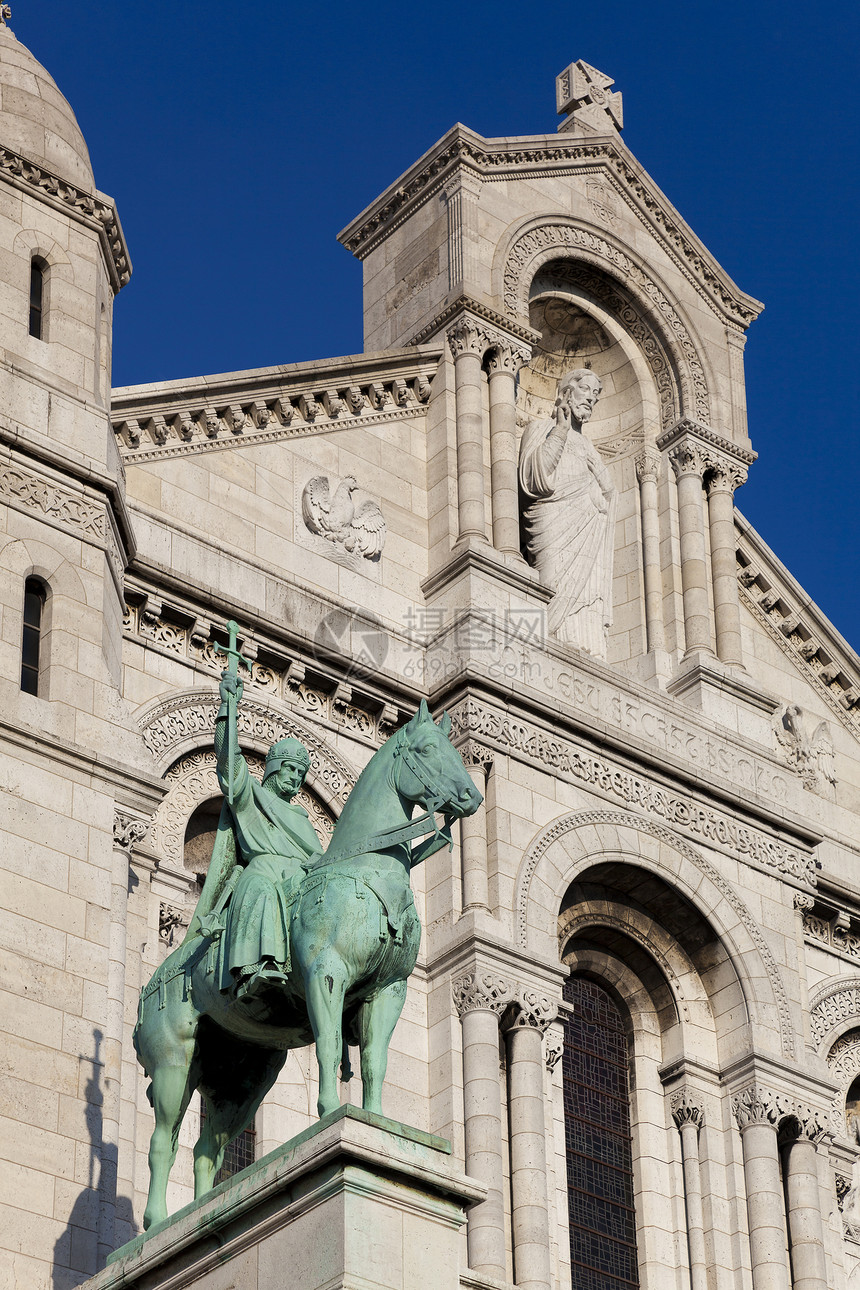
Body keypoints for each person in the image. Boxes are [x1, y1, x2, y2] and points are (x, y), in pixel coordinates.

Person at [214, 670, 321, 1001]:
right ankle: (259, 969)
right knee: (263, 889)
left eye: (301, 774)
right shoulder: (253, 798)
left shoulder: (303, 818)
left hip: (299, 879)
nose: (296, 778)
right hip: (263, 873)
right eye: (290, 769)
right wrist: (228, 710)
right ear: (274, 768)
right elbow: (229, 764)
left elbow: (318, 859)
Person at [518, 368, 617, 656]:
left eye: (596, 395)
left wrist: (599, 495)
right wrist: (560, 430)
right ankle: (549, 639)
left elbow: (609, 492)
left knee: (586, 591)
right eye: (585, 390)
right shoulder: (539, 429)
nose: (591, 399)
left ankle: (587, 648)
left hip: (587, 526)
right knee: (553, 583)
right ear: (566, 392)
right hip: (552, 522)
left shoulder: (588, 446)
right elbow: (534, 478)